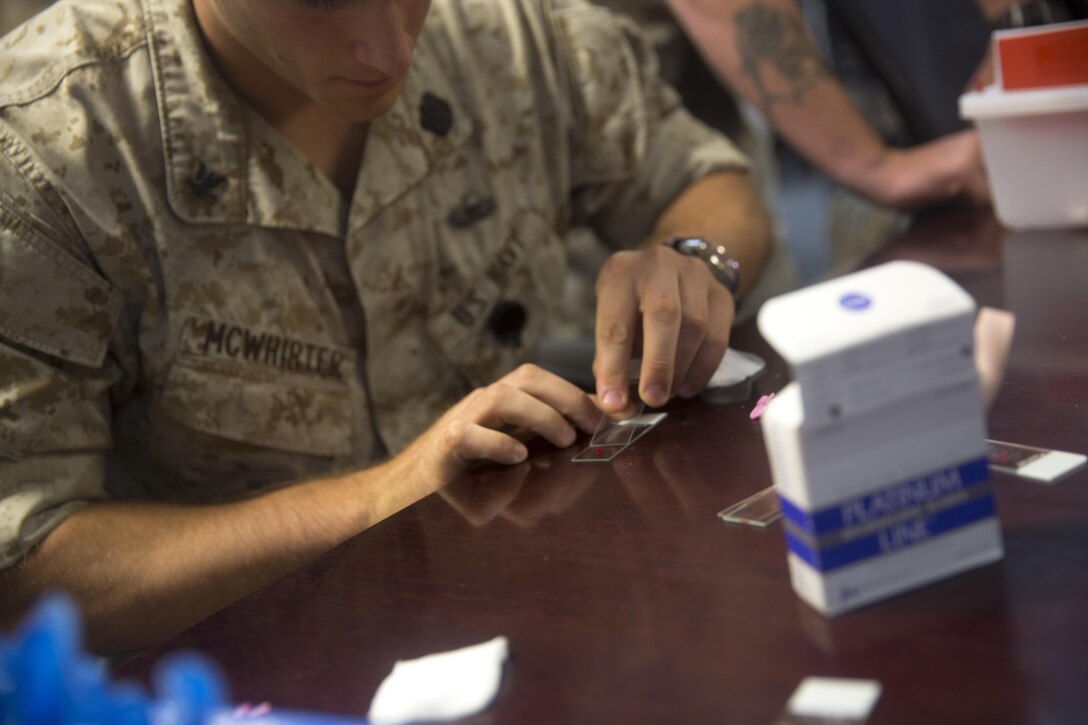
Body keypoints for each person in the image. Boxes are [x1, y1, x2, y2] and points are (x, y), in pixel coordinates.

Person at [0, 0, 771, 653]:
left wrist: (690, 260)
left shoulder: (504, 37)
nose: (389, 49)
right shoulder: (42, 151)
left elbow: (704, 178)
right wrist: (379, 500)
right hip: (236, 667)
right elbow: (27, 575)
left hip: (522, 616)